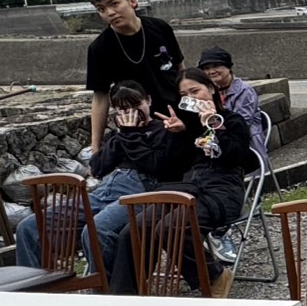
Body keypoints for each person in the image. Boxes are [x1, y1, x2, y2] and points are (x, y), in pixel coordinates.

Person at [108, 69, 254, 298]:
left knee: (170, 227)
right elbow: (170, 166)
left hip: (222, 190)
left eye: (195, 91)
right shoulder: (187, 125)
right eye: (185, 95)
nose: (192, 98)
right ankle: (124, 295)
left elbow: (239, 157)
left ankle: (214, 276)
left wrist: (214, 123)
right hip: (189, 186)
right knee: (135, 229)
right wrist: (177, 135)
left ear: (211, 89)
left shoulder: (232, 120)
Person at [15, 80, 182, 273]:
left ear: (149, 101)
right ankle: (33, 287)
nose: (131, 113)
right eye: (123, 109)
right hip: (106, 190)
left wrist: (131, 135)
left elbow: (155, 166)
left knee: (96, 230)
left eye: (136, 105)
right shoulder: (119, 135)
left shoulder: (163, 129)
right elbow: (97, 168)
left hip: (142, 191)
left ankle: (105, 286)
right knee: (29, 226)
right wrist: (122, 135)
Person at [84, 0, 184, 155]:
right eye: (101, 9)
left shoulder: (160, 28)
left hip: (178, 116)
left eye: (114, 3)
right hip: (139, 127)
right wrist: (96, 149)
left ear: (132, 1)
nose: (110, 12)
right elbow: (100, 97)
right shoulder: (99, 48)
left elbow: (181, 70)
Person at [198, 46, 267, 162]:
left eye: (216, 66)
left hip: (246, 142)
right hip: (217, 139)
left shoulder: (244, 91)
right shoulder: (208, 90)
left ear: (228, 67)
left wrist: (213, 121)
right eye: (206, 68)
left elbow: (241, 124)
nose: (211, 71)